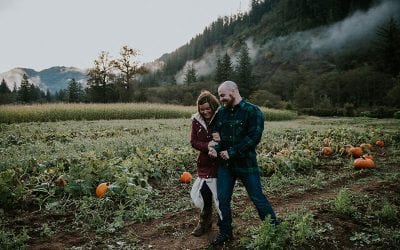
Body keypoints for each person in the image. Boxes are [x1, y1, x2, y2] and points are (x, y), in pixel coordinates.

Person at [209, 81, 278, 246]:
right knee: (222, 200)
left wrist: (231, 152)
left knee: (257, 197)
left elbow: (254, 138)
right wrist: (215, 148)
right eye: (220, 96)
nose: (221, 99)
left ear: (234, 91)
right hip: (225, 166)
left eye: (223, 95)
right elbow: (217, 136)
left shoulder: (253, 111)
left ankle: (274, 228)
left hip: (246, 164)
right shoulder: (221, 113)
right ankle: (225, 233)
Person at [189, 90, 222, 237]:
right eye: (202, 109)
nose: (205, 112)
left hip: (221, 162)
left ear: (213, 107)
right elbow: (194, 141)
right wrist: (207, 145)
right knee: (204, 192)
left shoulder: (222, 117)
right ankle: (205, 222)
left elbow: (229, 137)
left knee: (221, 195)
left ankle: (224, 223)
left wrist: (219, 141)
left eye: (208, 108)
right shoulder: (196, 120)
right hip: (205, 163)